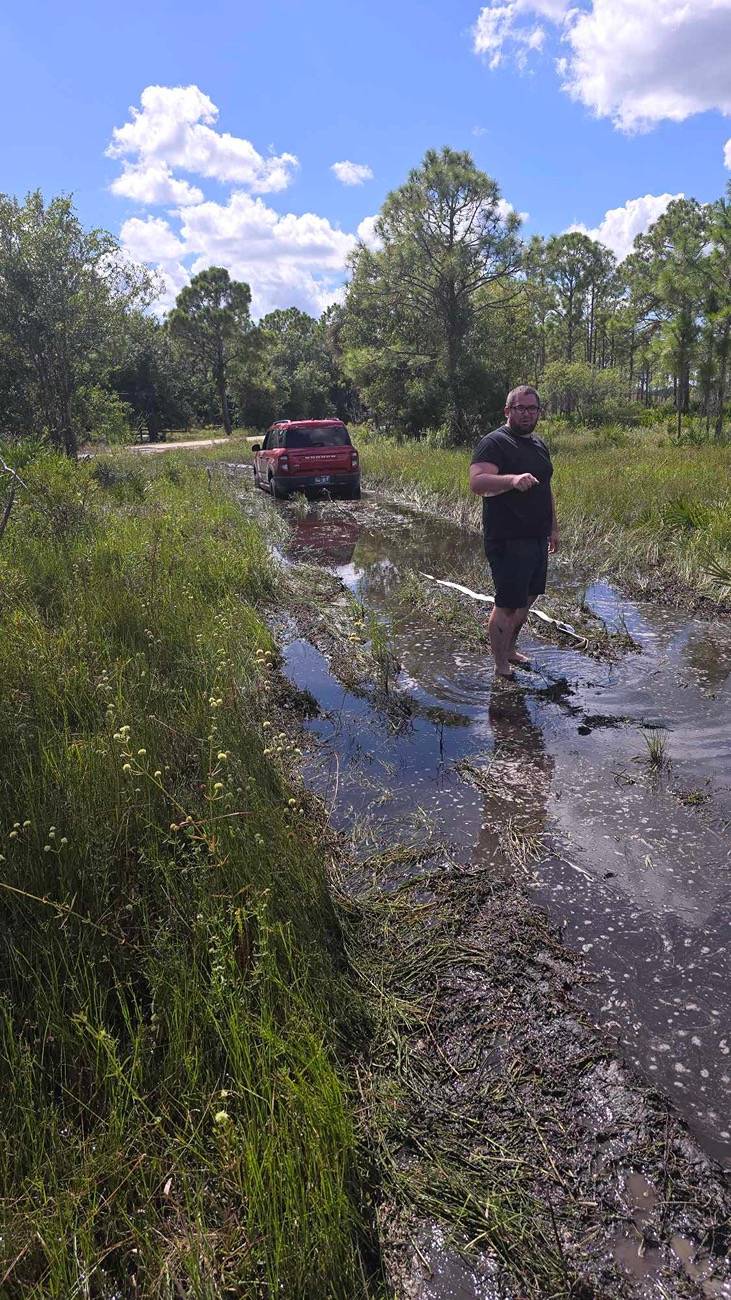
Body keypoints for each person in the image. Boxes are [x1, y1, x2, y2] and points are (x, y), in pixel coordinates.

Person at [469, 385, 558, 679]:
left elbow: (546, 489)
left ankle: (510, 649)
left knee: (528, 598)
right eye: (520, 408)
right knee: (507, 605)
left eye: (532, 409)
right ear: (508, 411)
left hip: (536, 537)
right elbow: (478, 482)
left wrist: (553, 528)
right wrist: (512, 480)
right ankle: (500, 665)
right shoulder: (494, 443)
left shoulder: (538, 445)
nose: (527, 414)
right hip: (507, 539)